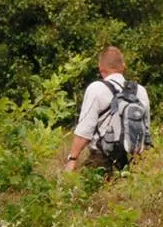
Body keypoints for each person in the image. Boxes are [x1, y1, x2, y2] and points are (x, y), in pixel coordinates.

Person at [63, 46, 151, 174]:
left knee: (87, 192)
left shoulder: (96, 88)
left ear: (100, 67)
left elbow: (85, 131)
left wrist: (72, 159)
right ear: (123, 66)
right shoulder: (140, 91)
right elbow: (145, 128)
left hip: (101, 160)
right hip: (131, 162)